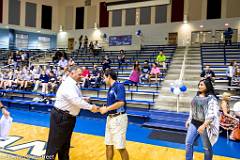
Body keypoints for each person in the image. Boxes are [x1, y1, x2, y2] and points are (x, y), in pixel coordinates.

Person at [45, 66, 99, 160]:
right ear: (71, 73)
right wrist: (91, 107)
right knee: (54, 145)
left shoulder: (73, 84)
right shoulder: (68, 84)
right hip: (62, 117)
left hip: (67, 118)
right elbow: (75, 100)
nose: (81, 76)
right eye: (79, 74)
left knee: (65, 145)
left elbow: (73, 99)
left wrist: (83, 99)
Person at [185, 79, 219, 160]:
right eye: (199, 84)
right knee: (188, 144)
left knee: (206, 148)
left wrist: (203, 125)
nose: (199, 86)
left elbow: (212, 114)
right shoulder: (196, 96)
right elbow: (192, 110)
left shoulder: (211, 99)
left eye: (202, 85)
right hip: (194, 123)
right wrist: (189, 120)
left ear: (207, 86)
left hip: (205, 125)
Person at [99, 69, 129, 160]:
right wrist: (101, 109)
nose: (103, 80)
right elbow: (111, 105)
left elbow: (121, 103)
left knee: (120, 147)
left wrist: (106, 109)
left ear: (109, 76)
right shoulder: (111, 88)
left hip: (119, 118)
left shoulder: (119, 86)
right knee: (108, 144)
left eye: (104, 77)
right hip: (110, 118)